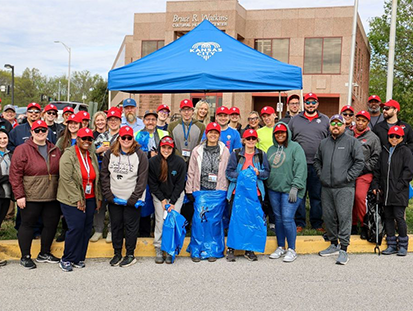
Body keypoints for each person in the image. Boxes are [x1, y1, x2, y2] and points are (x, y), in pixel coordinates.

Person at [10, 120, 61, 269]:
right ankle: (25, 256)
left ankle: (44, 253)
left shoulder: (55, 149)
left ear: (47, 132)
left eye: (43, 130)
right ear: (31, 132)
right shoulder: (22, 149)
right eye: (37, 130)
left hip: (51, 195)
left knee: (50, 225)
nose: (40, 133)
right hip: (31, 196)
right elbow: (15, 174)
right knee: (27, 225)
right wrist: (19, 195)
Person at [314, 114, 364, 265]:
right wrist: (321, 175)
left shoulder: (352, 142)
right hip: (327, 187)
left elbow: (360, 162)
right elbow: (317, 160)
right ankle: (333, 244)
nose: (335, 126)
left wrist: (348, 177)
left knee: (344, 217)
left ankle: (343, 249)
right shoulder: (324, 143)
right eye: (333, 123)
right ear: (330, 126)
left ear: (344, 126)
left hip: (344, 187)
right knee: (328, 217)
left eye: (339, 123)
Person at [100, 125, 149, 267]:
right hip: (114, 198)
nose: (126, 140)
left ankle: (130, 254)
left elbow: (142, 179)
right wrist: (108, 195)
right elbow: (104, 175)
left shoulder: (140, 155)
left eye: (129, 137)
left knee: (131, 227)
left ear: (133, 139)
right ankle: (117, 253)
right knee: (116, 226)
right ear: (119, 139)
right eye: (123, 137)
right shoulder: (110, 153)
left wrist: (134, 198)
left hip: (133, 199)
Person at [57, 127, 102, 272]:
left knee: (86, 228)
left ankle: (78, 257)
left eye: (90, 139)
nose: (87, 142)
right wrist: (78, 198)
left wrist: (98, 197)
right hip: (71, 198)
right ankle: (67, 258)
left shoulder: (91, 154)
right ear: (78, 140)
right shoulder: (68, 155)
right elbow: (66, 178)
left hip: (89, 197)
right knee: (76, 227)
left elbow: (96, 178)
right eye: (84, 139)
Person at [185, 122, 230, 262]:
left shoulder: (225, 150)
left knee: (214, 222)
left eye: (216, 133)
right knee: (199, 221)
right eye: (210, 132)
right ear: (206, 133)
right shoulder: (197, 151)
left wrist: (226, 191)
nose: (213, 135)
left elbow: (227, 171)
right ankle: (197, 250)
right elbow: (191, 171)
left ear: (219, 135)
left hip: (218, 191)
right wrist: (189, 190)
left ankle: (213, 251)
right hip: (201, 190)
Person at [225, 128, 270, 262]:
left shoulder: (261, 155)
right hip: (236, 193)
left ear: (257, 140)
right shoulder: (236, 154)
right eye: (248, 139)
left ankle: (249, 249)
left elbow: (267, 173)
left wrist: (257, 173)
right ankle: (231, 248)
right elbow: (229, 172)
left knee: (252, 221)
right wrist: (243, 175)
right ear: (243, 140)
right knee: (235, 220)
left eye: (253, 139)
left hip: (255, 194)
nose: (251, 141)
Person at [288, 93, 329, 232]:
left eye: (313, 102)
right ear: (304, 104)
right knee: (300, 194)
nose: (310, 105)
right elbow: (289, 141)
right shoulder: (295, 120)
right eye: (307, 102)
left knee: (316, 195)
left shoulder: (325, 120)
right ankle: (299, 222)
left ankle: (317, 223)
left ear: (317, 104)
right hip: (299, 164)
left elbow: (330, 141)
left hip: (318, 164)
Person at [266, 122, 307, 263]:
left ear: (288, 133)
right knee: (278, 218)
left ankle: (292, 249)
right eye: (277, 133)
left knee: (287, 218)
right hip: (274, 190)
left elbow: (301, 169)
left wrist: (295, 187)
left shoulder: (296, 148)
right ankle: (281, 246)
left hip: (290, 190)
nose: (280, 135)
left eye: (283, 132)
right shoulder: (271, 150)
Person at [371, 126, 413, 256]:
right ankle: (391, 244)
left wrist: (399, 186)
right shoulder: (384, 151)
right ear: (388, 137)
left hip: (399, 192)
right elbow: (377, 171)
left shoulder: (406, 151)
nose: (394, 139)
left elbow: (409, 171)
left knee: (399, 217)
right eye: (391, 136)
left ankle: (403, 244)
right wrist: (376, 185)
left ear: (402, 138)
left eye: (397, 136)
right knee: (388, 217)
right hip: (385, 191)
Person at [148, 136, 186, 264]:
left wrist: (172, 202)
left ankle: (171, 249)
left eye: (169, 148)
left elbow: (180, 184)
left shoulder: (180, 162)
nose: (166, 150)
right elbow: (152, 184)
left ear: (173, 148)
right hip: (159, 196)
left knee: (173, 221)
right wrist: (163, 200)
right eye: (164, 147)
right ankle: (158, 247)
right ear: (159, 148)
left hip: (176, 196)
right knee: (160, 221)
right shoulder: (153, 162)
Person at [91, 107, 122, 243]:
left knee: (114, 204)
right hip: (103, 173)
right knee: (100, 202)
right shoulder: (102, 136)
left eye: (116, 120)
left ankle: (111, 230)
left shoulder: (124, 135)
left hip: (119, 174)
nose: (113, 122)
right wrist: (100, 150)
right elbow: (92, 152)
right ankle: (98, 230)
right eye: (111, 120)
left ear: (120, 121)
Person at [348, 110, 381, 238]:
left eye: (364, 121)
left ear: (367, 122)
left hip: (364, 173)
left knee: (359, 196)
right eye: (359, 120)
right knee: (348, 197)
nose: (360, 123)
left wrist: (362, 169)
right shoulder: (348, 133)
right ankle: (351, 225)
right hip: (348, 172)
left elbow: (375, 158)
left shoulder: (373, 138)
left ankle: (364, 225)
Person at [0, 129, 12, 266]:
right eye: (0, 138)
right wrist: (7, 178)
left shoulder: (10, 154)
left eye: (5, 138)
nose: (3, 140)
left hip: (6, 195)